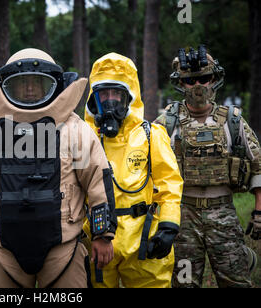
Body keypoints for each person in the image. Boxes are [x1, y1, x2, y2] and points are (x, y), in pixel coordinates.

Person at [0, 48, 117, 288]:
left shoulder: (75, 131)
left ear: (54, 87)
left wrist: (103, 235)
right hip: (1, 251)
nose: (28, 89)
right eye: (21, 83)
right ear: (5, 87)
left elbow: (98, 182)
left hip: (63, 249)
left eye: (37, 83)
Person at [154, 45, 261, 288]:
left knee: (236, 281)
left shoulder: (232, 120)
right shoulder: (167, 123)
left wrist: (258, 213)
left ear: (214, 79)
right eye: (190, 81)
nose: (197, 86)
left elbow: (258, 166)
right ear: (181, 83)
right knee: (183, 283)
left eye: (203, 78)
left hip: (222, 212)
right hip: (182, 216)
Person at [82, 52, 183, 288]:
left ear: (129, 97)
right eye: (103, 94)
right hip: (95, 239)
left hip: (143, 238)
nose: (109, 101)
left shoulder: (150, 135)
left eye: (116, 94)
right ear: (92, 98)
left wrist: (168, 225)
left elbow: (169, 184)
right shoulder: (82, 139)